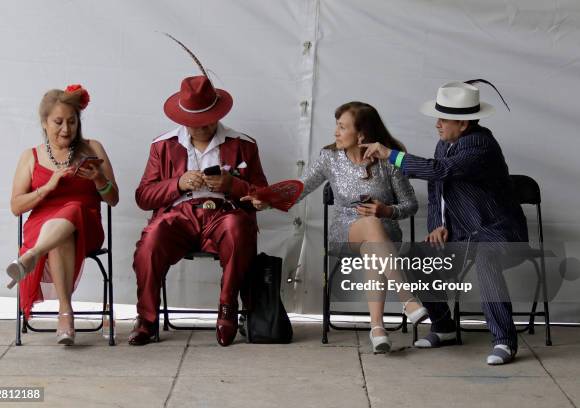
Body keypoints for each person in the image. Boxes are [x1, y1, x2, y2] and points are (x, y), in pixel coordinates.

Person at [361, 80, 528, 365]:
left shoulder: (480, 144)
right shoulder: (445, 143)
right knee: (413, 256)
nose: (437, 124)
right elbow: (437, 186)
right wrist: (437, 225)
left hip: (499, 235)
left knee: (486, 257)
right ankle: (443, 327)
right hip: (463, 235)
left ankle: (504, 342)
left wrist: (390, 154)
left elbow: (440, 170)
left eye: (444, 118)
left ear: (463, 124)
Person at [243, 101, 428, 353]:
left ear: (361, 133)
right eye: (337, 126)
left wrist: (387, 210)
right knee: (371, 229)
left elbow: (410, 205)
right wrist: (266, 201)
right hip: (345, 232)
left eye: (342, 127)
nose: (336, 132)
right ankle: (407, 298)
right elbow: (301, 187)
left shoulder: (387, 158)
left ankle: (377, 329)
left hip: (385, 235)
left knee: (373, 245)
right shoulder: (329, 158)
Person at [129, 74, 268, 347]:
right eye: (190, 123)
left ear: (216, 115)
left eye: (203, 122)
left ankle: (227, 312)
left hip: (224, 214)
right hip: (180, 217)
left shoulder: (243, 144)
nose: (197, 128)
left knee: (238, 227)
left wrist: (233, 185)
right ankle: (146, 320)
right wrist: (177, 183)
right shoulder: (163, 145)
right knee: (151, 240)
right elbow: (143, 196)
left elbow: (263, 194)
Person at [6, 85, 119, 345]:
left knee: (73, 210)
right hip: (43, 229)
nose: (66, 129)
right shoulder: (31, 156)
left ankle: (30, 257)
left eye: (72, 121)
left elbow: (113, 198)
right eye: (58, 122)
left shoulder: (93, 148)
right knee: (60, 234)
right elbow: (16, 207)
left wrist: (99, 179)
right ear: (44, 123)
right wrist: (47, 187)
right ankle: (65, 314)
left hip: (87, 226)